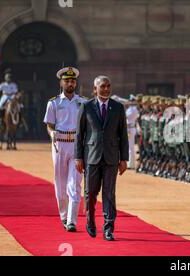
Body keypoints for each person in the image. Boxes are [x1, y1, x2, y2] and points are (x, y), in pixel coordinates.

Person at [75, 75, 129, 241]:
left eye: (108, 86)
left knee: (109, 194)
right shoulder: (86, 107)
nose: (106, 89)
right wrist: (78, 157)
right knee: (90, 192)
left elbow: (123, 135)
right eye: (102, 86)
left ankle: (108, 228)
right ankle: (90, 222)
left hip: (112, 158)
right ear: (95, 89)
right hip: (91, 157)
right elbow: (80, 134)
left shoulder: (118, 108)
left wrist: (124, 159)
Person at [43, 66, 87, 232]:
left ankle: (71, 221)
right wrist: (51, 133)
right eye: (67, 80)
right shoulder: (53, 102)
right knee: (60, 185)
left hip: (77, 145)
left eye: (73, 81)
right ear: (61, 83)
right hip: (59, 145)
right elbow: (49, 125)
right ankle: (63, 215)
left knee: (74, 183)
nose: (70, 83)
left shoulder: (82, 102)